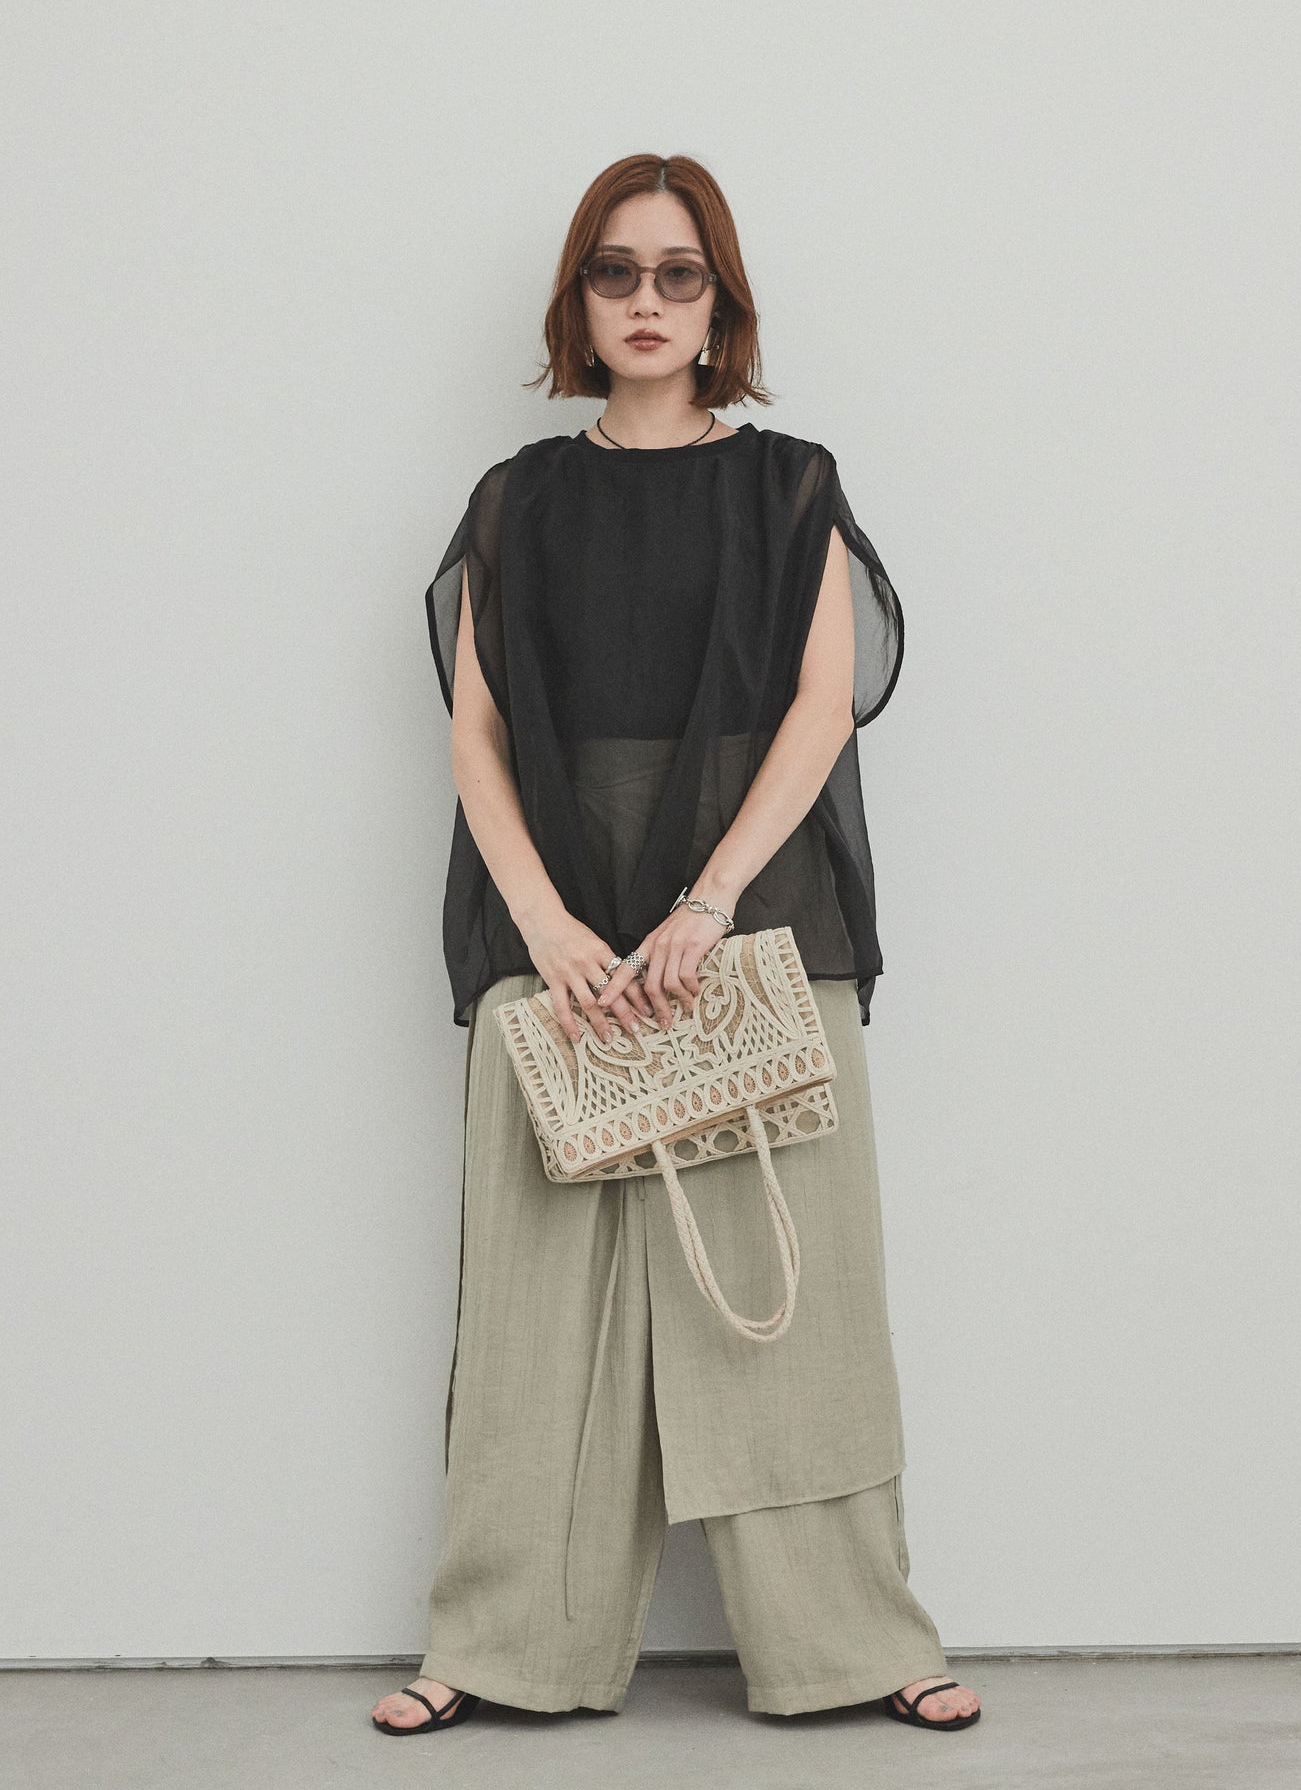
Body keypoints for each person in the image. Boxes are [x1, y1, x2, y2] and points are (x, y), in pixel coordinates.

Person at [372, 153, 982, 1737]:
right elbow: (475, 736)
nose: (645, 302)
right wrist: (546, 923)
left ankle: (857, 1642)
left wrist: (706, 901)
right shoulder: (516, 500)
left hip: (754, 921)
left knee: (796, 1294)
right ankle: (495, 1648)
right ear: (577, 303)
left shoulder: (790, 484)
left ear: (721, 308)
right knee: (533, 1318)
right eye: (615, 272)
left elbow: (822, 706)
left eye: (678, 274)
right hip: (561, 934)